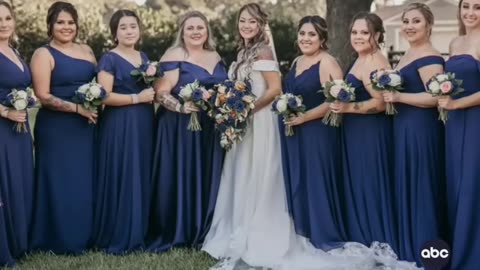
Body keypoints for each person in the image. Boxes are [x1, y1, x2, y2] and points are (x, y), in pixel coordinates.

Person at [147, 11, 227, 252]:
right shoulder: (174, 55)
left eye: (200, 27)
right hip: (179, 128)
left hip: (209, 128)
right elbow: (161, 93)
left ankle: (203, 227)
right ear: (182, 31)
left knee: (205, 174)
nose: (195, 32)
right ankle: (178, 228)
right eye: (190, 28)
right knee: (181, 174)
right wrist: (181, 107)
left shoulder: (215, 55)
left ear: (207, 31)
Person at [381, 3, 446, 266]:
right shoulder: (409, 53)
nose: (409, 26)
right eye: (406, 21)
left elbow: (437, 97)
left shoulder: (429, 56)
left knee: (422, 186)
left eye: (416, 21)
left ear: (429, 25)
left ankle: (429, 253)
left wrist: (399, 96)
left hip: (421, 129)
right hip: (403, 128)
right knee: (409, 184)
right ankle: (411, 248)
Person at [30, 1, 97, 254]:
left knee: (83, 180)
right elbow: (43, 96)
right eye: (60, 22)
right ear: (50, 25)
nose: (66, 27)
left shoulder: (88, 50)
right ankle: (56, 239)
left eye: (71, 22)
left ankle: (86, 235)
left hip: (86, 126)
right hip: (57, 129)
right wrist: (77, 109)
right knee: (59, 181)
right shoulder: (43, 54)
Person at [329, 12, 398, 251]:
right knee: (359, 185)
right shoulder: (360, 58)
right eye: (355, 32)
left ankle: (375, 239)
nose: (358, 37)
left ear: (377, 35)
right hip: (355, 132)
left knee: (370, 185)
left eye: (364, 32)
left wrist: (348, 107)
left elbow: (380, 103)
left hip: (370, 134)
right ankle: (362, 238)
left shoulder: (374, 61)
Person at [279, 15, 346, 250]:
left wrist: (304, 117)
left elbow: (336, 101)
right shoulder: (297, 61)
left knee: (317, 181)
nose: (306, 39)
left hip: (318, 132)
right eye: (302, 34)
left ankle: (324, 234)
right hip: (296, 132)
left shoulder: (327, 62)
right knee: (301, 180)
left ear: (322, 38)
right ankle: (305, 231)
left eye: (312, 35)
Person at [92, 9, 155, 254]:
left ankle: (139, 229)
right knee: (123, 172)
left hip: (143, 123)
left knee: (140, 171)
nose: (129, 31)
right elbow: (103, 96)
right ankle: (118, 232)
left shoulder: (144, 56)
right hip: (120, 122)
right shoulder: (109, 58)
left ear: (139, 29)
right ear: (115, 32)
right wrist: (136, 98)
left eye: (133, 26)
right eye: (124, 27)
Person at [437, 0, 480, 268]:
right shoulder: (455, 43)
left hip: (475, 121)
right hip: (453, 125)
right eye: (466, 6)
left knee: (473, 184)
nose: (470, 13)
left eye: (477, 7)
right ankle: (459, 247)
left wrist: (455, 104)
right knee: (456, 183)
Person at [0, 1, 33, 265]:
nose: (3, 23)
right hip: (2, 126)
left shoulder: (14, 51)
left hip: (20, 128)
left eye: (7, 18)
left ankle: (19, 242)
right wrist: (5, 112)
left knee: (18, 180)